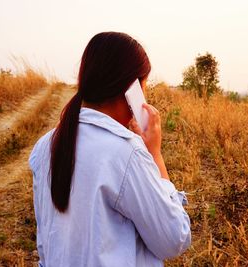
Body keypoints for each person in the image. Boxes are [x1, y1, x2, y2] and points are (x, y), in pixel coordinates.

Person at [28, 32, 191, 267]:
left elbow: (45, 243)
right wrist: (155, 154)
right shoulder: (127, 153)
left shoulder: (44, 146)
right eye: (144, 86)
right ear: (132, 89)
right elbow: (174, 239)